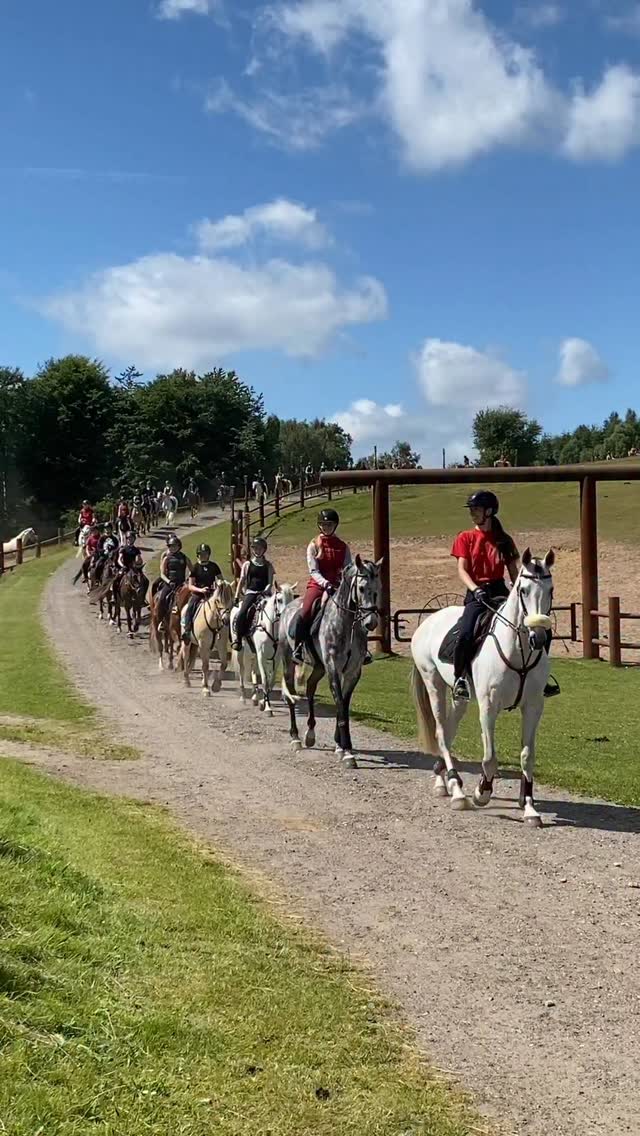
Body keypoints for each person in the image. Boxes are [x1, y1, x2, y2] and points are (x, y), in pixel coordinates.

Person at [450, 491, 558, 701]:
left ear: (489, 512)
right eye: (472, 509)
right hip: (476, 593)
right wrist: (475, 589)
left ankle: (542, 677)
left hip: (500, 591)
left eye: (476, 509)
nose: (472, 513)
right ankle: (459, 679)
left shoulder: (504, 540)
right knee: (465, 633)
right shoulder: (465, 538)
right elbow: (462, 570)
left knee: (543, 629)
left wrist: (521, 592)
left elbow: (514, 572)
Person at [292, 508, 350, 663]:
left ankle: (361, 649)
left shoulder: (343, 546)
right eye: (323, 525)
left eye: (329, 525)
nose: (326, 528)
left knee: (355, 610)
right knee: (305, 611)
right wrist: (326, 584)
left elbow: (348, 568)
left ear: (335, 525)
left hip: (338, 585)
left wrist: (341, 583)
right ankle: (299, 647)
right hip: (318, 584)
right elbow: (313, 570)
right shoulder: (313, 545)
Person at [232, 537, 276, 651]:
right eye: (255, 548)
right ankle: (238, 638)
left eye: (260, 549)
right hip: (251, 592)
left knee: (276, 612)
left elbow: (270, 582)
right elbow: (242, 581)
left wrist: (266, 590)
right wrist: (236, 596)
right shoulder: (247, 564)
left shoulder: (268, 565)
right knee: (242, 612)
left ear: (264, 550)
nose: (257, 551)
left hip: (265, 593)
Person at [181, 543, 223, 643]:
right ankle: (187, 630)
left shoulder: (214, 566)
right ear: (198, 555)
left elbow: (221, 579)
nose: (203, 556)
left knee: (225, 608)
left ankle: (228, 632)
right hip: (198, 594)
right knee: (190, 607)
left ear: (209, 554)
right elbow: (190, 586)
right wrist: (201, 590)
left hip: (212, 594)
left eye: (205, 554)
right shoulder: (194, 568)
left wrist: (219, 584)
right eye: (201, 554)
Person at [157, 535, 192, 622]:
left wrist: (188, 579)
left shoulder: (184, 558)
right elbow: (162, 574)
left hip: (181, 584)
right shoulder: (166, 558)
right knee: (162, 599)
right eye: (170, 546)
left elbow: (192, 570)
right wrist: (168, 581)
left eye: (174, 546)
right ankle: (161, 620)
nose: (172, 548)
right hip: (170, 584)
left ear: (179, 546)